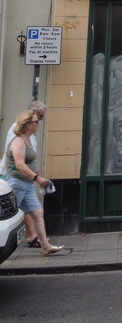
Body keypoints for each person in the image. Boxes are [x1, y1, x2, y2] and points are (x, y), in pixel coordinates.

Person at [3, 110, 64, 256]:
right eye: (36, 122)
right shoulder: (18, 141)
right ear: (28, 124)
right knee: (7, 217)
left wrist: (34, 172)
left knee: (37, 213)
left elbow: (27, 162)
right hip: (16, 184)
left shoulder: (29, 139)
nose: (39, 124)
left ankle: (45, 246)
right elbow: (19, 165)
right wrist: (38, 179)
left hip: (26, 184)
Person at [1, 100, 47, 247]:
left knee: (34, 211)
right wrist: (36, 177)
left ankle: (41, 243)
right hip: (14, 179)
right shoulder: (19, 134)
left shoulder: (30, 134)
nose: (40, 121)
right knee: (11, 212)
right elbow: (17, 161)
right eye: (39, 117)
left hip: (24, 180)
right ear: (32, 116)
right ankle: (31, 237)